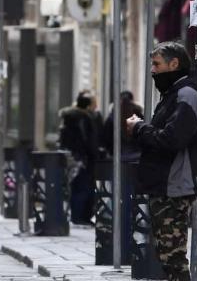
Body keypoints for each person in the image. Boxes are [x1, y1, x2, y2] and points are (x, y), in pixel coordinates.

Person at [127, 41, 197, 281]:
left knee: (174, 257)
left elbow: (173, 139)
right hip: (165, 185)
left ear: (174, 65)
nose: (152, 71)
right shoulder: (174, 94)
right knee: (169, 257)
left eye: (157, 65)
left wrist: (140, 129)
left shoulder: (187, 94)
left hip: (176, 186)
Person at [58, 90, 100, 225]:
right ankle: (81, 217)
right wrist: (94, 154)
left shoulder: (68, 117)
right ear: (88, 106)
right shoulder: (84, 118)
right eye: (93, 104)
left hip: (71, 157)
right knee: (84, 188)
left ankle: (77, 216)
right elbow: (88, 140)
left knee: (75, 187)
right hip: (83, 158)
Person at [101, 91, 145, 163]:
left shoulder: (112, 117)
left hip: (117, 154)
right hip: (136, 155)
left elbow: (106, 137)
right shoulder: (137, 115)